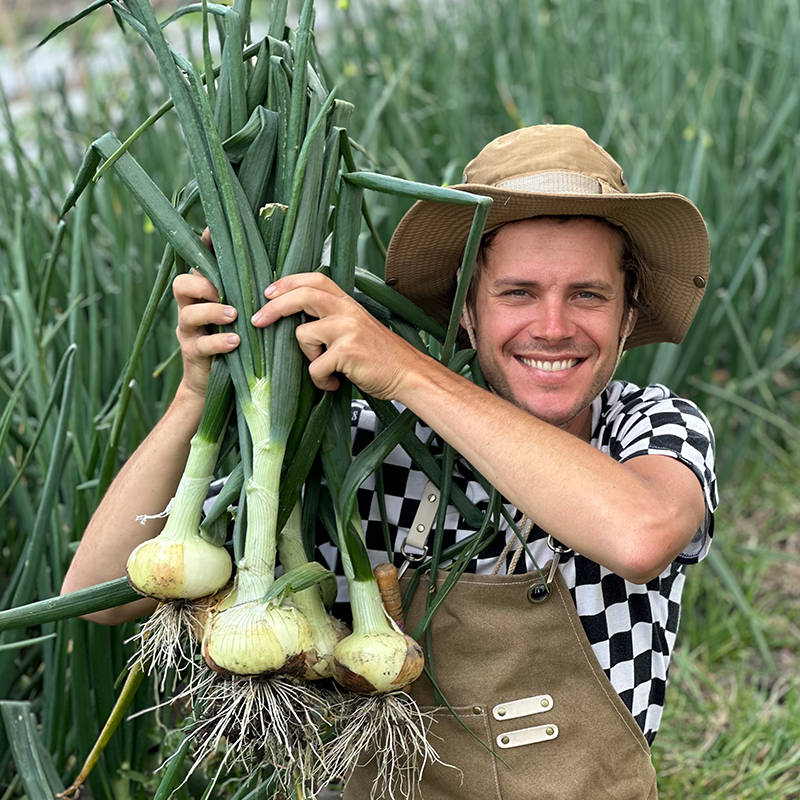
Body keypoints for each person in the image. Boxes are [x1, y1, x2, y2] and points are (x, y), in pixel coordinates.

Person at [62, 124, 717, 799]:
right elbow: (100, 593)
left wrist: (403, 369)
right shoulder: (371, 450)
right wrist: (197, 394)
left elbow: (640, 536)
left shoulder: (652, 427)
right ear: (466, 308)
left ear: (629, 314)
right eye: (517, 292)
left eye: (588, 294)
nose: (552, 326)